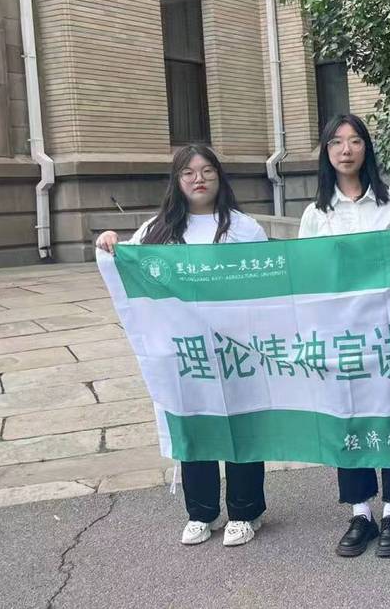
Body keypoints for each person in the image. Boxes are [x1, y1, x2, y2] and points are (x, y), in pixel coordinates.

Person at [96, 145, 268, 547]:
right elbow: (128, 264)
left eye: (207, 170)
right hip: (186, 352)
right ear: (176, 181)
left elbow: (268, 287)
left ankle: (246, 512)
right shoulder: (157, 231)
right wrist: (109, 244)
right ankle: (202, 512)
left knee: (241, 425)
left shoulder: (244, 229)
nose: (198, 179)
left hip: (235, 348)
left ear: (219, 177)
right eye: (188, 172)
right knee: (194, 423)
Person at [298, 113, 390, 558]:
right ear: (326, 152)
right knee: (348, 418)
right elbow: (306, 278)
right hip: (341, 338)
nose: (346, 150)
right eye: (336, 142)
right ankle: (360, 512)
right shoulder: (316, 214)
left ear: (366, 148)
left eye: (355, 141)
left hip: (387, 335)